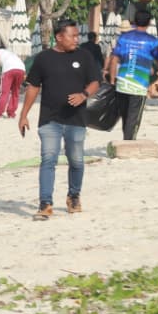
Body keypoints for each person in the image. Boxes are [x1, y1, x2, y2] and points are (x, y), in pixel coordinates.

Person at [18, 19, 101, 221]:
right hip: (50, 120)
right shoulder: (43, 59)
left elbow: (95, 82)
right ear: (59, 37)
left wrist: (83, 95)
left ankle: (74, 196)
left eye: (77, 35)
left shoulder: (84, 55)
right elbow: (33, 87)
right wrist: (23, 115)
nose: (76, 39)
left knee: (77, 161)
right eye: (72, 36)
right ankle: (45, 203)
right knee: (48, 159)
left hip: (76, 119)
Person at [106, 10, 158, 141]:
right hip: (139, 84)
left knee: (125, 114)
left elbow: (114, 60)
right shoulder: (152, 41)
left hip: (122, 82)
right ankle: (129, 141)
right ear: (149, 23)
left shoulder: (124, 38)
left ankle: (127, 138)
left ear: (134, 22)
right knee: (134, 116)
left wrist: (113, 81)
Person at [0, 45, 27, 119]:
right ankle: (11, 113)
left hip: (9, 70)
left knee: (4, 92)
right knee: (15, 92)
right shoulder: (12, 53)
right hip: (21, 69)